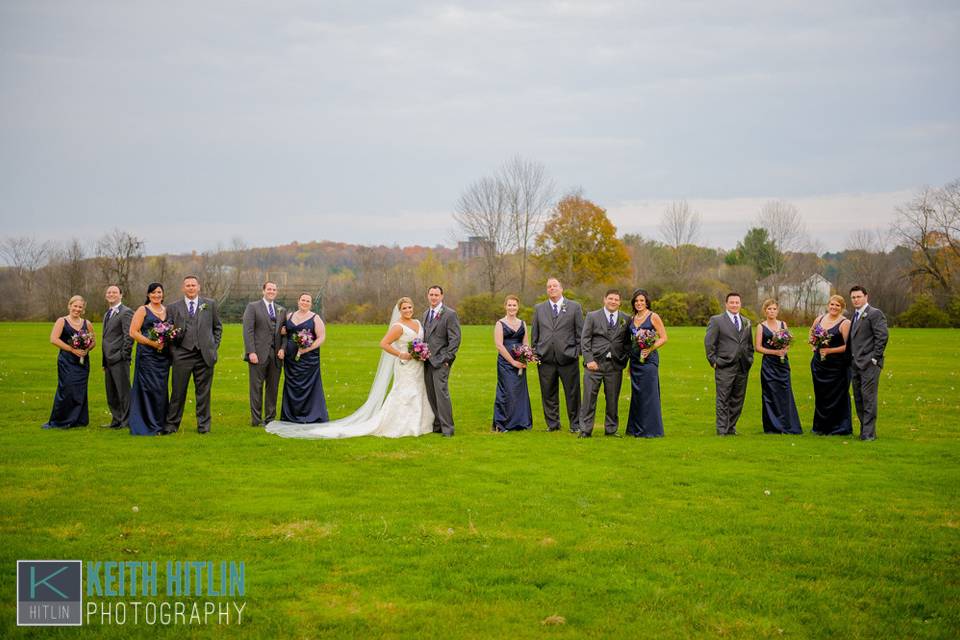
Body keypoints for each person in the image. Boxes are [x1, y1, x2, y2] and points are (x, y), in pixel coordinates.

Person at [267, 297, 435, 438]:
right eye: (404, 308)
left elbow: (420, 341)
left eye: (410, 307)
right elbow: (383, 343)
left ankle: (420, 423)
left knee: (419, 391)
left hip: (418, 365)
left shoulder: (418, 323)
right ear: (399, 310)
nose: (407, 310)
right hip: (405, 365)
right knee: (404, 393)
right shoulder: (398, 326)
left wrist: (421, 351)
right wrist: (400, 354)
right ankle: (401, 425)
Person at [164, 275, 222, 434]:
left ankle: (204, 427)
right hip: (182, 354)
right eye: (188, 285)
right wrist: (174, 352)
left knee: (203, 393)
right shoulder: (173, 307)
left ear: (199, 287)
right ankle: (171, 425)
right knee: (177, 392)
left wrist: (213, 347)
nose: (191, 288)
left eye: (193, 285)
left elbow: (217, 328)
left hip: (204, 356)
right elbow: (167, 331)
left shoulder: (210, 305)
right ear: (183, 288)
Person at [531, 278, 584, 433]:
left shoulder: (574, 307)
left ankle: (575, 424)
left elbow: (580, 333)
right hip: (545, 358)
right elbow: (535, 333)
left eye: (555, 286)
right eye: (549, 286)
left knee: (572, 393)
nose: (552, 288)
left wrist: (576, 352)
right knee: (548, 393)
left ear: (561, 288)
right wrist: (535, 352)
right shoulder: (539, 308)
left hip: (568, 358)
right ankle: (553, 424)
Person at [578, 289, 632, 438]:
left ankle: (611, 429)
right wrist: (589, 360)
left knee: (613, 399)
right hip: (594, 365)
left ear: (620, 302)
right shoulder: (592, 316)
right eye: (610, 298)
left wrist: (623, 359)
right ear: (604, 299)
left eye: (616, 299)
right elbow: (585, 339)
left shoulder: (626, 319)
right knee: (589, 398)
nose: (613, 301)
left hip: (614, 365)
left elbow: (627, 343)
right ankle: (585, 430)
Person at [704, 292, 754, 435]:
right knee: (723, 398)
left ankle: (731, 428)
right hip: (724, 365)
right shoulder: (717, 320)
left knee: (738, 399)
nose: (734, 305)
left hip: (742, 366)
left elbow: (749, 344)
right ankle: (721, 429)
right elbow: (709, 343)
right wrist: (713, 361)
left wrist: (749, 359)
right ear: (726, 304)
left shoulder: (746, 322)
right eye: (731, 302)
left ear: (740, 304)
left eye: (737, 302)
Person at [43, 295, 94, 429]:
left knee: (80, 390)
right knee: (66, 389)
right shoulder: (62, 321)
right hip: (67, 361)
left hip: (83, 363)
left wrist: (86, 349)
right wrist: (72, 349)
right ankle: (61, 420)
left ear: (83, 309)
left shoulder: (87, 323)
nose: (77, 309)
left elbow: (93, 341)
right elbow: (54, 339)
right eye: (75, 306)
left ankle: (78, 420)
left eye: (80, 307)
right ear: (69, 306)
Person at [128, 283, 172, 436]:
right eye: (153, 293)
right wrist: (151, 343)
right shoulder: (143, 309)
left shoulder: (168, 310)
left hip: (163, 357)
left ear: (163, 294)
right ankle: (146, 423)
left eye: (159, 292)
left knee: (161, 389)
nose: (156, 295)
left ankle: (161, 423)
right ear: (148, 295)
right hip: (147, 355)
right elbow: (133, 332)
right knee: (148, 388)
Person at [277, 293, 328, 424]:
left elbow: (321, 337)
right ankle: (291, 415)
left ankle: (311, 415)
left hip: (309, 359)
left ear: (311, 304)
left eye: (308, 301)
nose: (305, 302)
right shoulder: (290, 316)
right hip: (290, 359)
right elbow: (285, 335)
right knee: (291, 385)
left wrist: (307, 349)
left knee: (309, 385)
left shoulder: (316, 318)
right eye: (303, 300)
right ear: (298, 301)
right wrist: (283, 332)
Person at [754, 299, 802, 435]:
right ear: (765, 311)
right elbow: (758, 347)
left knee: (785, 393)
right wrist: (775, 352)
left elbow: (787, 341)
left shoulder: (783, 324)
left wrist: (784, 349)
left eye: (774, 309)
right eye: (769, 309)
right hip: (769, 365)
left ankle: (788, 425)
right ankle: (773, 426)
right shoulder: (761, 327)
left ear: (777, 311)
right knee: (770, 394)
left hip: (782, 364)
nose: (772, 311)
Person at [848, 286, 889, 441]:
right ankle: (864, 430)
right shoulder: (855, 316)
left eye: (858, 296)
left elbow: (882, 337)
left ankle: (869, 434)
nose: (856, 300)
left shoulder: (875, 314)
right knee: (858, 398)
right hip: (855, 364)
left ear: (866, 296)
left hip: (869, 364)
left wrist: (875, 358)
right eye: (853, 297)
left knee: (868, 398)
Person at [625, 289, 667, 438]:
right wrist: (630, 365)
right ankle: (634, 429)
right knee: (637, 395)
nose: (639, 303)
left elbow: (663, 337)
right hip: (636, 361)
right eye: (636, 301)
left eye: (642, 300)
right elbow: (631, 343)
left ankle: (650, 430)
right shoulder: (632, 318)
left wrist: (650, 348)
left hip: (649, 362)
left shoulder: (653, 316)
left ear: (646, 301)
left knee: (648, 394)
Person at [242, 282, 285, 427]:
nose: (272, 291)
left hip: (276, 356)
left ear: (276, 292)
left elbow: (286, 333)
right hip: (258, 354)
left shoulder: (281, 310)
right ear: (263, 291)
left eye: (274, 289)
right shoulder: (253, 307)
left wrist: (283, 349)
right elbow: (248, 331)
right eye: (269, 289)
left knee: (273, 388)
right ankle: (256, 420)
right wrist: (251, 351)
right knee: (256, 388)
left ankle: (270, 419)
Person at [809, 294, 853, 436]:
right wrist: (813, 344)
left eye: (837, 305)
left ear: (842, 308)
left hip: (837, 367)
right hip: (819, 365)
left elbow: (849, 346)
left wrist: (830, 350)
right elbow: (812, 332)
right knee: (821, 396)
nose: (834, 307)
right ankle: (820, 427)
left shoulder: (845, 323)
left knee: (837, 396)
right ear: (828, 305)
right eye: (832, 304)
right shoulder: (820, 319)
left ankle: (838, 427)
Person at [422, 285, 461, 437]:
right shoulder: (426, 314)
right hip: (426, 361)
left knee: (442, 394)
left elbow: (455, 339)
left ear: (442, 296)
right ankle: (437, 425)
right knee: (431, 395)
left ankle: (448, 429)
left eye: (436, 295)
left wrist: (447, 359)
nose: (433, 297)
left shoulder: (450, 314)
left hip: (441, 361)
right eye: (431, 294)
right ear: (428, 296)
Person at [492, 295, 533, 432]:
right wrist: (513, 362)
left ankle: (520, 422)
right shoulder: (500, 323)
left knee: (519, 392)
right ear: (505, 306)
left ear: (518, 307)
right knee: (507, 391)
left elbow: (525, 343)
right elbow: (499, 345)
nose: (512, 308)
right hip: (506, 363)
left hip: (520, 362)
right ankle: (502, 423)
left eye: (514, 305)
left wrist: (525, 357)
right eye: (509, 305)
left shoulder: (523, 323)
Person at [101, 284, 133, 429]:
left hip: (119, 359)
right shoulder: (107, 314)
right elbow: (106, 338)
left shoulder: (126, 312)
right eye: (109, 292)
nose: (111, 294)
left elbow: (129, 336)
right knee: (111, 392)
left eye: (114, 292)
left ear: (121, 295)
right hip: (108, 359)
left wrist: (123, 355)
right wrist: (104, 360)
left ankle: (126, 421)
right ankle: (116, 420)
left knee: (123, 392)